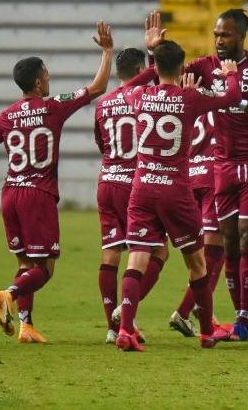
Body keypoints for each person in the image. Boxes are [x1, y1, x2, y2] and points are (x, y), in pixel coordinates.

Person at [145, 9, 248, 341]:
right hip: (222, 163)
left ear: (241, 37)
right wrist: (155, 51)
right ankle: (240, 319)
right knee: (229, 243)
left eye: (225, 35)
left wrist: (242, 105)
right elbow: (165, 75)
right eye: (216, 35)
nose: (219, 40)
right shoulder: (206, 67)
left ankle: (243, 319)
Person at [0, 21, 114, 343]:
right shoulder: (52, 106)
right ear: (37, 81)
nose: (50, 79)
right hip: (38, 195)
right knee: (45, 269)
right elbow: (98, 87)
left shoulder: (5, 116)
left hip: (10, 195)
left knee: (25, 261)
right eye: (46, 75)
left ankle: (26, 325)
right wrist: (106, 52)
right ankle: (9, 293)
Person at [116, 40, 242, 351]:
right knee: (197, 262)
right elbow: (233, 97)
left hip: (142, 186)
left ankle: (124, 329)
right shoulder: (190, 98)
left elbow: (127, 86)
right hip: (176, 190)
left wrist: (150, 62)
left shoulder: (140, 96)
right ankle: (206, 333)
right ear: (182, 66)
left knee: (138, 256)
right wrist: (230, 74)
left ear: (155, 67)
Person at [94, 45, 170, 345]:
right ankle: (127, 310)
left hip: (107, 182)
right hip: (135, 184)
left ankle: (113, 326)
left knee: (111, 254)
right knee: (158, 251)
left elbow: (101, 143)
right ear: (141, 72)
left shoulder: (103, 104)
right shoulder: (145, 99)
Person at [168, 111, 224, 337]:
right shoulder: (220, 100)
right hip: (213, 177)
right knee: (214, 251)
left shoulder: (188, 102)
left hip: (188, 177)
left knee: (196, 254)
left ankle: (204, 309)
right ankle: (184, 311)